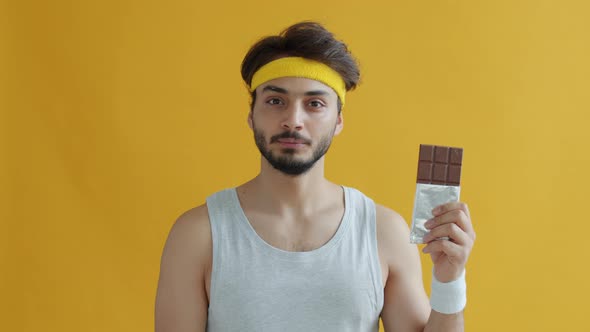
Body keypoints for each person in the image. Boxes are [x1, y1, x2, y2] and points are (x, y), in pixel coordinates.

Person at [155, 21, 476, 332]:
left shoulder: (383, 232)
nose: (293, 120)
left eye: (314, 103)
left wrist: (450, 281)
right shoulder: (198, 235)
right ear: (252, 116)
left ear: (338, 121)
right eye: (275, 101)